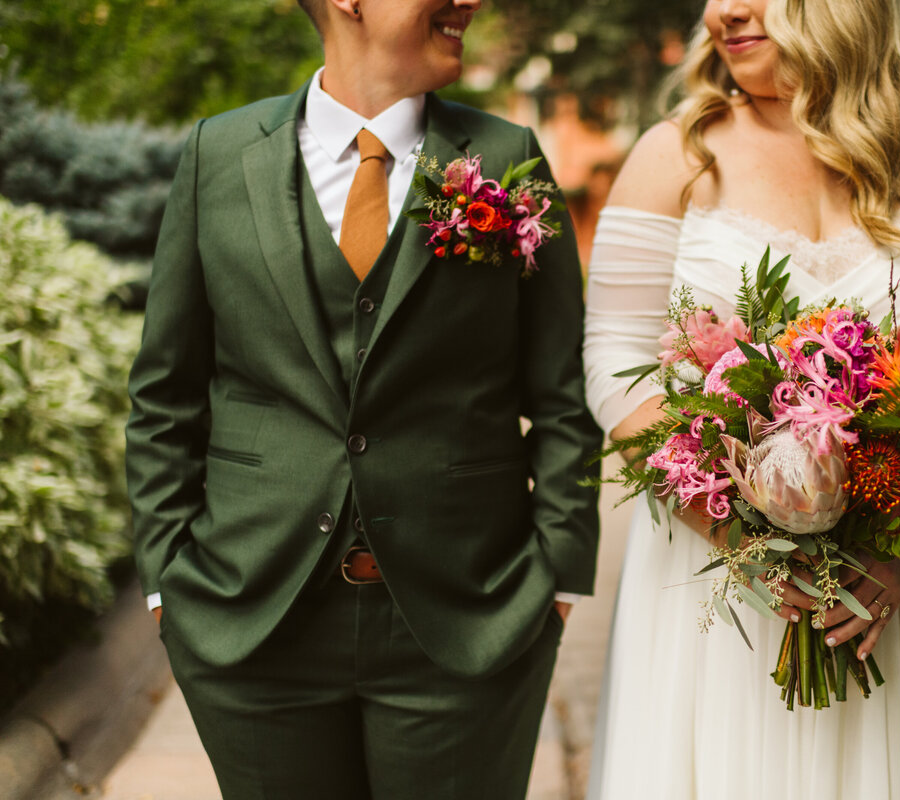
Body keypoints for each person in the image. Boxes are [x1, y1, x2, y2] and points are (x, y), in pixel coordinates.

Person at [125, 0, 601, 797]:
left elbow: (561, 393)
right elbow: (165, 394)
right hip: (251, 619)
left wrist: (556, 580)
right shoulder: (220, 152)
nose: (467, 3)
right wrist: (167, 581)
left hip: (469, 621)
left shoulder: (505, 155)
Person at [582, 0, 900, 797]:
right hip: (724, 585)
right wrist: (734, 530)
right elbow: (613, 355)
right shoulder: (676, 154)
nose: (723, 9)